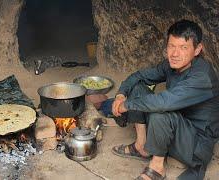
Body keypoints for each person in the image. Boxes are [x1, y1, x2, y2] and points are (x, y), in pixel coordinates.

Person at [93, 20, 219, 179]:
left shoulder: (202, 77)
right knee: (139, 88)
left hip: (196, 145)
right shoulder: (171, 64)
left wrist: (125, 105)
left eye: (183, 47)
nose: (174, 53)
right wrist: (120, 95)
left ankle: (158, 167)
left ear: (197, 49)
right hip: (173, 130)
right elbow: (139, 76)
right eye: (171, 46)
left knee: (161, 111)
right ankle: (141, 147)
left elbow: (164, 102)